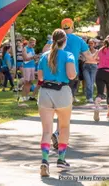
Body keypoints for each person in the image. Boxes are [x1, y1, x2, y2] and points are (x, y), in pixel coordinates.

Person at [37, 29, 76, 177]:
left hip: (45, 93)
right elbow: (71, 75)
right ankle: (61, 158)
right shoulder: (69, 55)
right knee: (64, 127)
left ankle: (45, 161)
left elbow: (40, 77)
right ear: (65, 40)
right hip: (62, 92)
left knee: (47, 130)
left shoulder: (44, 56)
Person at [51, 18, 93, 149]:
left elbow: (46, 50)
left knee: (55, 105)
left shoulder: (56, 38)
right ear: (72, 27)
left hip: (54, 75)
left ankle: (56, 132)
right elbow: (89, 57)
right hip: (70, 76)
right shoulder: (78, 40)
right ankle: (59, 133)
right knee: (65, 107)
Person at [82, 39, 99, 103]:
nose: (90, 44)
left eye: (92, 43)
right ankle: (89, 97)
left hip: (94, 67)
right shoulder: (85, 51)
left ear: (94, 44)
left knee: (91, 82)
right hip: (86, 66)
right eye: (89, 43)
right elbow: (83, 58)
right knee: (88, 82)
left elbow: (99, 60)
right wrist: (92, 59)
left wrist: (94, 60)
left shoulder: (97, 51)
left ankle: (90, 97)